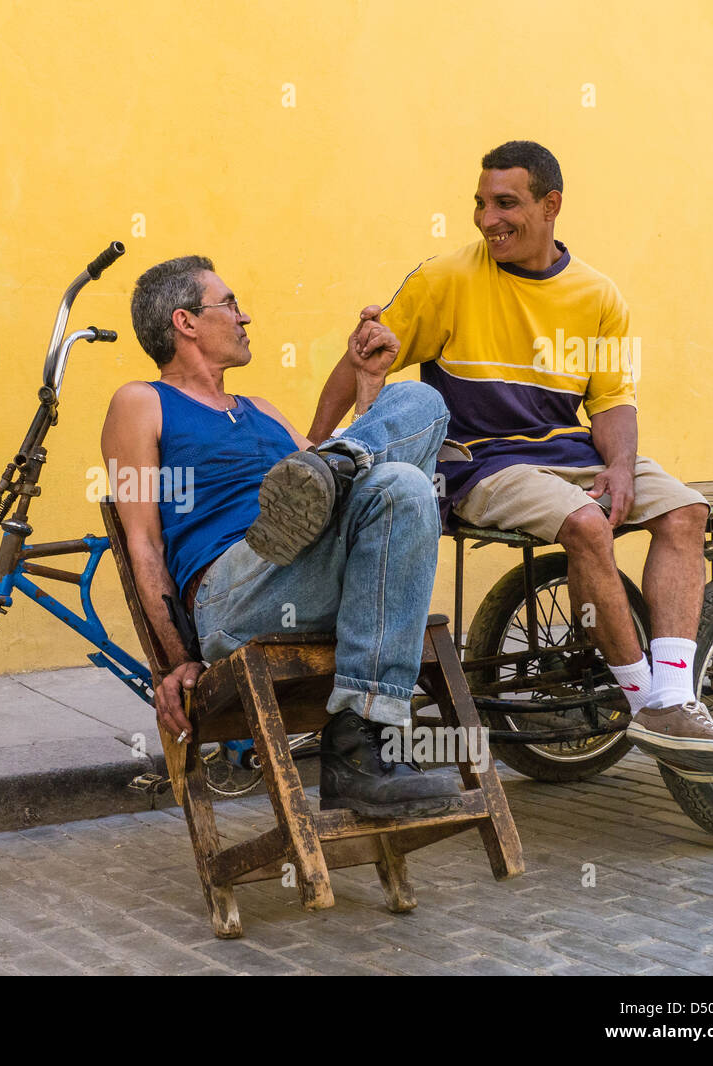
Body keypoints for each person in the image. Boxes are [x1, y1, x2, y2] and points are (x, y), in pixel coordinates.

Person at [300, 140, 713, 782]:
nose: (488, 219)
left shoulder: (599, 295)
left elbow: (613, 401)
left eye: (505, 203)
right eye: (480, 204)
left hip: (568, 451)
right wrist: (317, 444)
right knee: (590, 527)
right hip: (480, 463)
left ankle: (673, 696)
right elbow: (365, 355)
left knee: (687, 512)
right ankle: (643, 702)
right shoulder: (445, 278)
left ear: (551, 205)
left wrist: (620, 466)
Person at [101, 255, 460, 818]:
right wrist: (176, 659)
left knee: (418, 427)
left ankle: (358, 751)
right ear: (185, 322)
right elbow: (143, 543)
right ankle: (334, 461)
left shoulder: (262, 409)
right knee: (385, 475)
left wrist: (367, 380)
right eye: (231, 304)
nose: (246, 319)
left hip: (312, 578)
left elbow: (361, 496)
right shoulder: (140, 402)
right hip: (233, 592)